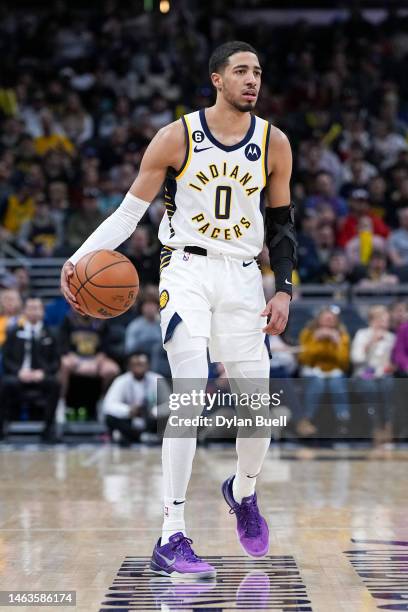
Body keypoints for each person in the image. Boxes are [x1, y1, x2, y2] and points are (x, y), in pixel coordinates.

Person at [61, 41, 296, 579]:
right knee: (188, 393)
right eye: (240, 71)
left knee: (258, 412)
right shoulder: (177, 136)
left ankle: (243, 491)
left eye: (257, 72)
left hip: (242, 280)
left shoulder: (274, 143)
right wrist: (77, 260)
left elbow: (282, 224)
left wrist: (281, 289)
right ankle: (171, 535)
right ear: (216, 79)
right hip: (185, 272)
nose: (251, 80)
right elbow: (128, 214)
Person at [0, 298, 60, 442]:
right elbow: (6, 359)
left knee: (55, 384)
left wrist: (43, 373)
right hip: (19, 376)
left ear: (43, 312)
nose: (34, 311)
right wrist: (18, 372)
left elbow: (56, 361)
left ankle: (48, 429)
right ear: (24, 311)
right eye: (30, 308)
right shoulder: (14, 332)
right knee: (4, 383)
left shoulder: (51, 333)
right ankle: (2, 428)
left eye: (37, 308)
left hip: (41, 376)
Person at [298, 307, 350, 437]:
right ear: (318, 320)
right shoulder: (308, 333)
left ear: (336, 321)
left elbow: (344, 363)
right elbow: (304, 359)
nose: (328, 322)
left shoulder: (342, 335)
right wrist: (316, 341)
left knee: (336, 384)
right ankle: (307, 419)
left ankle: (343, 419)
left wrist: (337, 343)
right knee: (318, 383)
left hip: (334, 372)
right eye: (325, 319)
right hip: (312, 371)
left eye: (331, 319)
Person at [351, 305, 395, 446]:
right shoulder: (362, 334)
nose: (385, 323)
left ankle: (387, 426)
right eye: (382, 319)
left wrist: (389, 367)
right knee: (370, 387)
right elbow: (356, 358)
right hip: (364, 374)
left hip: (384, 375)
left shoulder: (391, 337)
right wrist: (370, 343)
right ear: (373, 320)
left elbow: (393, 362)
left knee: (387, 385)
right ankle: (375, 427)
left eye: (386, 319)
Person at [103, 352, 169, 446]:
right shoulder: (121, 381)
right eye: (135, 364)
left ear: (148, 365)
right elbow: (108, 405)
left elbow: (170, 404)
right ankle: (142, 436)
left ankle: (134, 436)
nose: (139, 367)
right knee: (110, 418)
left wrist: (154, 412)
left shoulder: (157, 379)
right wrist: (128, 410)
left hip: (151, 418)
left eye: (142, 364)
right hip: (129, 419)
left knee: (170, 417)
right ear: (129, 366)